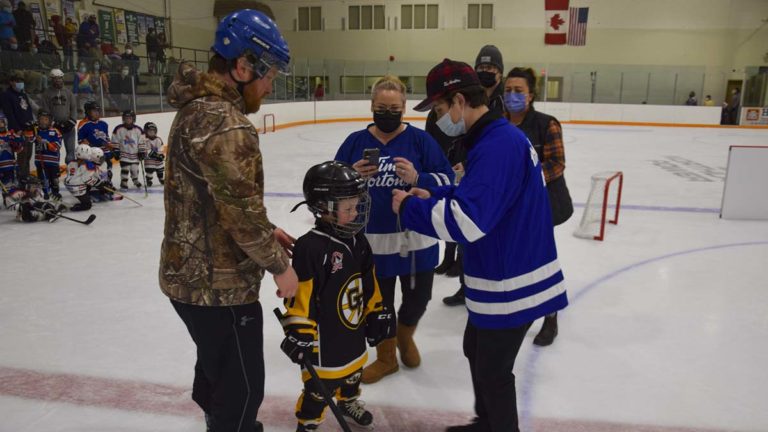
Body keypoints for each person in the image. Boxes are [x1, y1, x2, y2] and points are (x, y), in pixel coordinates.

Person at [392, 59, 569, 432]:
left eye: (440, 109)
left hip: (513, 281)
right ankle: (486, 423)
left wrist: (410, 207)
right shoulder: (492, 139)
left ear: (459, 100)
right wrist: (435, 191)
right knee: (475, 349)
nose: (439, 118)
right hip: (500, 275)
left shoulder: (498, 145)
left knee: (493, 370)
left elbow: (467, 220)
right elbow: (483, 195)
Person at [160, 9, 298, 432]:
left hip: (189, 276)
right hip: (218, 288)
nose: (270, 86)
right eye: (268, 75)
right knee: (242, 390)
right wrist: (281, 266)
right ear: (242, 66)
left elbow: (217, 199)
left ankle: (219, 419)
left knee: (216, 370)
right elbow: (238, 216)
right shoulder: (225, 122)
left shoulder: (197, 109)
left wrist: (264, 226)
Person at [334, 75, 454, 384]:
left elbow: (448, 180)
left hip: (417, 241)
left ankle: (405, 335)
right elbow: (331, 189)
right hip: (370, 245)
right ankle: (386, 357)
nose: (388, 113)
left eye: (394, 108)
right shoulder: (354, 142)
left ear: (403, 108)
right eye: (381, 107)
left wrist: (418, 177)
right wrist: (350, 176)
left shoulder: (420, 141)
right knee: (377, 304)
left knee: (419, 298)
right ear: (372, 106)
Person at [279, 161, 395, 431]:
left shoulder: (358, 240)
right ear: (323, 208)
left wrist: (377, 311)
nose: (355, 213)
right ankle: (308, 422)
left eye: (357, 206)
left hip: (352, 331)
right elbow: (300, 295)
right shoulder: (311, 247)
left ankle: (348, 401)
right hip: (324, 342)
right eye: (348, 208)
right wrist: (300, 331)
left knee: (353, 374)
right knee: (319, 389)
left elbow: (369, 283)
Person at [504, 67, 574, 346]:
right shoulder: (497, 124)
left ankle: (550, 317)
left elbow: (556, 163)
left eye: (518, 91)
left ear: (530, 95)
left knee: (541, 260)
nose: (512, 95)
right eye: (508, 90)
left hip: (543, 206)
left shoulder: (546, 124)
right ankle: (520, 305)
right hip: (510, 207)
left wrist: (525, 179)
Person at [439, 44, 507, 307]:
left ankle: (488, 289)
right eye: (481, 67)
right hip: (464, 171)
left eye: (491, 68)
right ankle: (465, 286)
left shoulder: (502, 104)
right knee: (466, 233)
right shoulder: (467, 99)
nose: (486, 72)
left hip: (489, 179)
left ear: (499, 73)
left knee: (486, 239)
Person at [0, 72, 35, 185]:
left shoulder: (22, 94)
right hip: (18, 131)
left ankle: (26, 175)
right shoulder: (6, 95)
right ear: (11, 82)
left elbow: (28, 110)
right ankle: (21, 177)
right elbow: (9, 114)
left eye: (21, 80)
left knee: (28, 154)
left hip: (28, 129)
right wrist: (16, 128)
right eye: (17, 80)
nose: (20, 83)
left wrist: (32, 124)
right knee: (22, 154)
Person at [40, 68, 78, 163]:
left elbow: (74, 108)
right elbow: (46, 111)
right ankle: (54, 175)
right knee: (54, 152)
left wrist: (71, 122)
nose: (58, 80)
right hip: (54, 128)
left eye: (60, 78)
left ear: (63, 78)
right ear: (51, 79)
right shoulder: (47, 94)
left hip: (69, 128)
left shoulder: (69, 93)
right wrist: (53, 123)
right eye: (55, 78)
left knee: (71, 152)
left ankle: (71, 174)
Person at [64, 143, 108, 211]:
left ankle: (84, 195)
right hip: (77, 187)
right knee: (87, 205)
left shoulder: (71, 162)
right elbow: (87, 179)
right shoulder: (89, 165)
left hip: (69, 185)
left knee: (86, 185)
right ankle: (67, 208)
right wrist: (99, 184)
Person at [77, 101, 113, 182]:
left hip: (104, 151)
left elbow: (106, 138)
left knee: (108, 167)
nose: (97, 113)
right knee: (94, 169)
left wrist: (111, 148)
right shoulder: (83, 124)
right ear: (88, 112)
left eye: (98, 111)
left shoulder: (103, 124)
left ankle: (106, 182)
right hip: (92, 152)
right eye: (94, 111)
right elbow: (81, 141)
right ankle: (95, 183)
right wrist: (91, 146)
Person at [33, 110, 63, 200]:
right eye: (41, 119)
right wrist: (34, 138)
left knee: (54, 179)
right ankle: (45, 193)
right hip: (40, 161)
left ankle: (55, 193)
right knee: (43, 179)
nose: (43, 121)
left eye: (46, 119)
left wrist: (45, 143)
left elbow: (56, 146)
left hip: (53, 161)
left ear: (50, 121)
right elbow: (29, 140)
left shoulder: (55, 131)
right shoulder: (36, 131)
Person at [111, 110, 145, 189]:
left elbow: (141, 141)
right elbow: (115, 140)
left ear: (133, 119)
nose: (128, 120)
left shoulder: (138, 130)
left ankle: (135, 180)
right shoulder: (118, 129)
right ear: (123, 119)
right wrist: (116, 150)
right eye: (126, 118)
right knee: (125, 168)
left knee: (134, 169)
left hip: (135, 154)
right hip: (124, 153)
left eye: (130, 118)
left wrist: (141, 151)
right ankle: (124, 181)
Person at [0, 113, 23, 202]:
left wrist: (16, 143)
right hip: (1, 166)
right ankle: (7, 199)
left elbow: (20, 146)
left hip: (11, 165)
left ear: (5, 123)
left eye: (1, 122)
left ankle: (11, 199)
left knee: (12, 184)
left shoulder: (10, 134)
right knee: (4, 185)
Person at [140, 121, 164, 186]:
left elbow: (161, 148)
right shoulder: (144, 140)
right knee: (149, 170)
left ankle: (161, 178)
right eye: (150, 131)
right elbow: (145, 149)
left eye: (153, 131)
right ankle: (149, 179)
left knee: (160, 170)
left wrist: (161, 155)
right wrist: (152, 154)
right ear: (146, 132)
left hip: (157, 159)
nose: (151, 132)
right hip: (149, 160)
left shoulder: (158, 139)